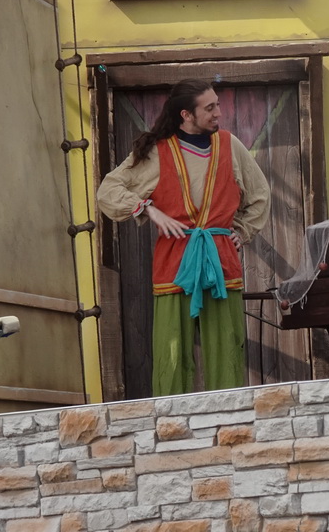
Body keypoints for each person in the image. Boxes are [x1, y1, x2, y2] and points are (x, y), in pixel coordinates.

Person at [97, 79, 270, 396]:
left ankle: (230, 421)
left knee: (227, 350)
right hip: (174, 263)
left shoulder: (231, 146)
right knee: (171, 352)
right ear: (185, 115)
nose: (219, 112)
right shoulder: (156, 154)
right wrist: (148, 209)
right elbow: (108, 191)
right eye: (210, 107)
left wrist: (243, 231)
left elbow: (259, 194)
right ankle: (172, 425)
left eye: (217, 104)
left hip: (220, 262)